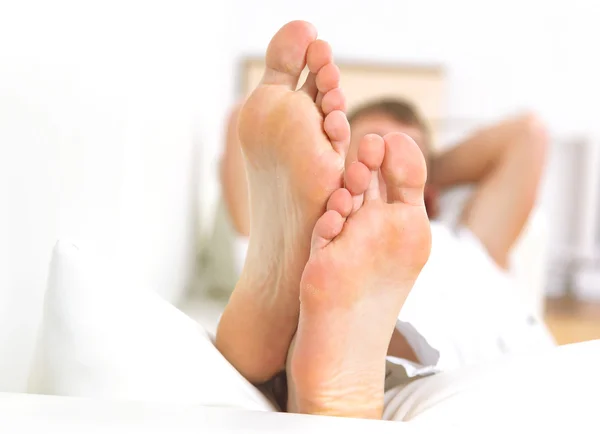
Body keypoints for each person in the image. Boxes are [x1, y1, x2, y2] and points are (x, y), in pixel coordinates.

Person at [211, 20, 597, 422]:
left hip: (456, 345)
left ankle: (314, 362)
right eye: (368, 145)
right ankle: (319, 352)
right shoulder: (300, 216)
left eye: (410, 150)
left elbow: (528, 136)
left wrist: (414, 174)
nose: (386, 158)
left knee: (376, 302)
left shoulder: (471, 237)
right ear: (326, 157)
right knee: (341, 281)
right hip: (453, 362)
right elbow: (247, 121)